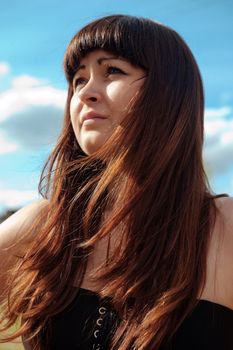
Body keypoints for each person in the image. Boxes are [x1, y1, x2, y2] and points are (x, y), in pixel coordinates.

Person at [0, 14, 233, 350]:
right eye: (78, 80)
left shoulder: (222, 227)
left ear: (169, 93)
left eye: (112, 71)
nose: (85, 93)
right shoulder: (46, 226)